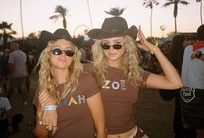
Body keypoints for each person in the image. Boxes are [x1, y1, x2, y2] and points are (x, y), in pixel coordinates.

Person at [39, 17, 183, 137]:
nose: (111, 49)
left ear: (127, 44)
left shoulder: (135, 73)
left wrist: (154, 49)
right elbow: (53, 75)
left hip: (133, 134)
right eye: (106, 44)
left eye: (117, 44)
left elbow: (175, 83)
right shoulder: (89, 70)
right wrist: (50, 103)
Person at [33, 29, 106, 138]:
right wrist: (40, 114)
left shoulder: (86, 81)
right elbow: (41, 135)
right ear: (48, 54)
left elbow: (101, 129)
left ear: (73, 57)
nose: (63, 55)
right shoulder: (43, 89)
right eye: (57, 51)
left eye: (69, 52)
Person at [180, 24, 204, 138]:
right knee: (201, 129)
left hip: (185, 91)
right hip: (200, 91)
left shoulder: (187, 49)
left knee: (188, 124)